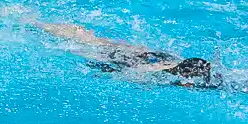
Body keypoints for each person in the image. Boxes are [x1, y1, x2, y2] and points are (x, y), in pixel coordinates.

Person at [32, 20, 221, 91]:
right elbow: (125, 74)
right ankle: (33, 22)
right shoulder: (151, 75)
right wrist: (101, 71)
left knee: (93, 39)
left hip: (147, 53)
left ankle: (36, 21)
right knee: (80, 44)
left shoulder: (178, 64)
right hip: (124, 58)